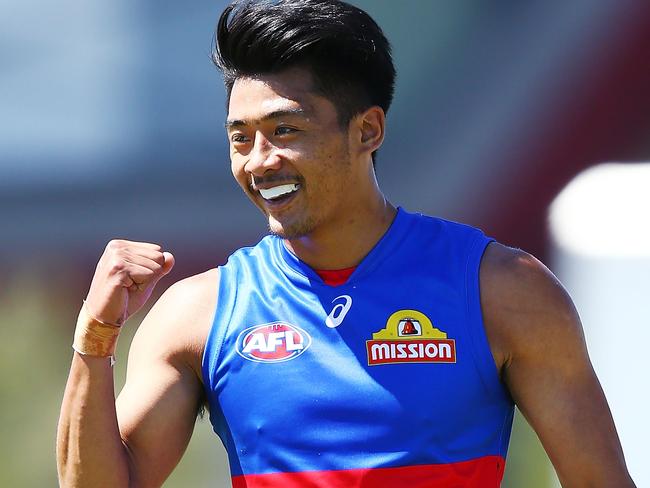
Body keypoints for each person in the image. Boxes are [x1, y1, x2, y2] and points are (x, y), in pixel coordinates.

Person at [56, 1, 636, 487]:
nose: (259, 162)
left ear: (368, 131)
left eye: (285, 131)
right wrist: (95, 338)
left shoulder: (501, 289)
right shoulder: (198, 313)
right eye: (241, 139)